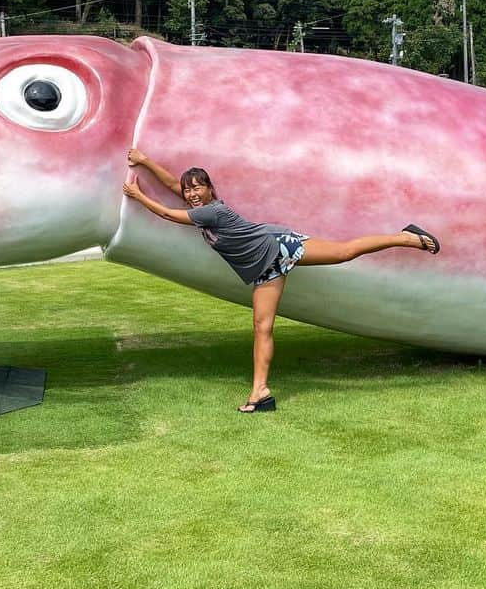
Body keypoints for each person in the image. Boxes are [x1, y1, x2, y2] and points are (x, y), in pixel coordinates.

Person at [121, 147, 440, 414]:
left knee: (343, 252)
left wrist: (137, 195)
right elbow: (173, 188)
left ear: (210, 189)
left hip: (278, 245)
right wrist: (146, 161)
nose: (191, 194)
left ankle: (406, 237)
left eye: (197, 188)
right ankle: (260, 392)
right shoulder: (198, 204)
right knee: (262, 327)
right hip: (265, 267)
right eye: (188, 189)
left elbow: (166, 213)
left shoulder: (211, 213)